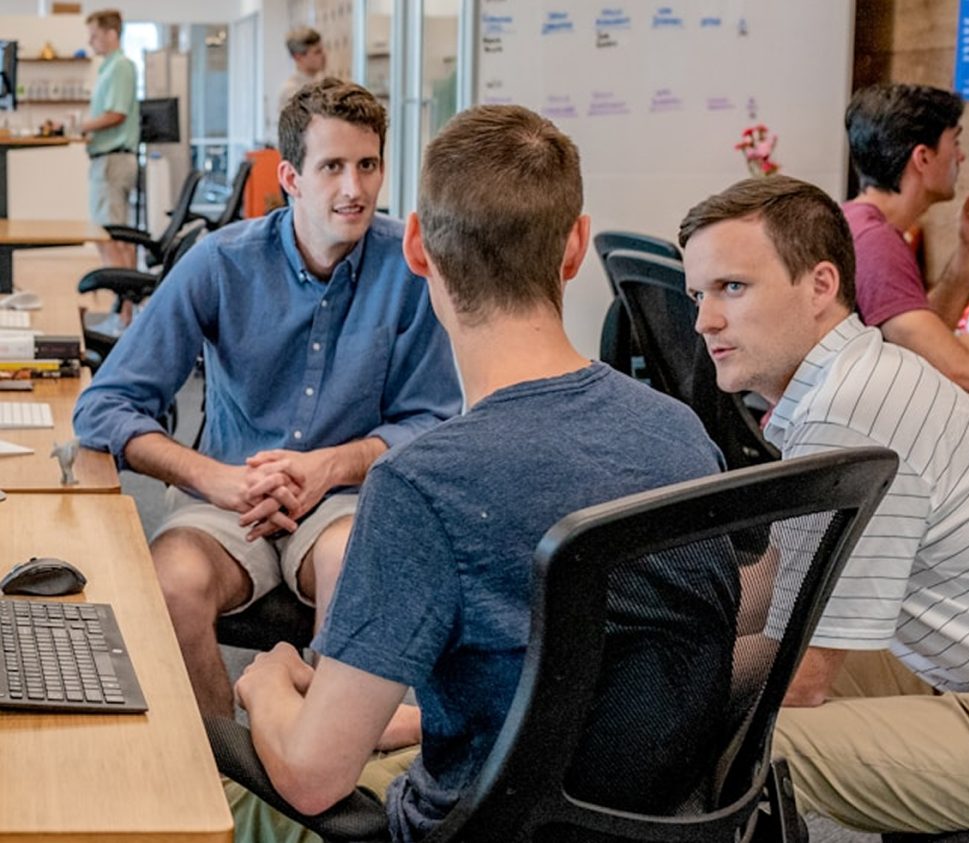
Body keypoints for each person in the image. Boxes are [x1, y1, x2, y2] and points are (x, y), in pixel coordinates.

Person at [230, 104, 734, 843]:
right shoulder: (680, 434)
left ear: (415, 247)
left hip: (467, 826)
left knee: (201, 793)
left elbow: (312, 774)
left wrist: (265, 682)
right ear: (575, 246)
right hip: (646, 823)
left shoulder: (423, 485)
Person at [73, 78, 461, 717]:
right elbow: (104, 406)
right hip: (227, 497)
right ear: (291, 176)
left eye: (368, 166)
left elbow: (434, 421)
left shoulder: (411, 268)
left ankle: (318, 766)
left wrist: (329, 467)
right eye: (332, 167)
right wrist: (213, 479)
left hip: (343, 500)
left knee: (356, 572)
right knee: (171, 585)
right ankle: (228, 768)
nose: (354, 189)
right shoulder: (220, 263)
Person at [679, 174, 969, 835]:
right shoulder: (853, 380)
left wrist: (621, 678)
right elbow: (781, 578)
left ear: (821, 285)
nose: (703, 320)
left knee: (750, 745)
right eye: (698, 293)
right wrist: (645, 617)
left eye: (732, 287)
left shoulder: (849, 410)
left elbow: (801, 672)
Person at [844, 83, 969, 403]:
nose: (961, 155)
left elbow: (924, 345)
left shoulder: (860, 223)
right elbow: (956, 371)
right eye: (954, 142)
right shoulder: (874, 243)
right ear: (923, 158)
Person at [81, 9, 140, 269]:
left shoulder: (120, 66)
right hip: (109, 160)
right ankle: (126, 305)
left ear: (112, 34)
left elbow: (117, 114)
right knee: (116, 236)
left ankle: (124, 307)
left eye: (94, 35)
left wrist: (80, 127)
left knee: (109, 237)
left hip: (112, 162)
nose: (90, 41)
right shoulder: (109, 68)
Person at [278, 27, 327, 119]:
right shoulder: (290, 91)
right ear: (298, 57)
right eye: (317, 52)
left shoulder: (322, 80)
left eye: (322, 50)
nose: (324, 55)